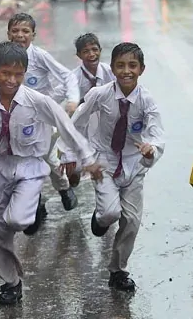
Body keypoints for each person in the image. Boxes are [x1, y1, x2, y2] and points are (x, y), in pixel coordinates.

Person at [0, 41, 102, 305]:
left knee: (16, 220)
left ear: (26, 73)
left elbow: (66, 127)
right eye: (5, 73)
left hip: (30, 166)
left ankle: (30, 210)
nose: (11, 80)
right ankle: (11, 283)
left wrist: (86, 158)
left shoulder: (37, 101)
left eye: (18, 74)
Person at [59, 42, 165, 291]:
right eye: (120, 65)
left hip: (133, 164)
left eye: (132, 66)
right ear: (112, 68)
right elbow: (76, 123)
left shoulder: (146, 101)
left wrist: (151, 149)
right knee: (110, 213)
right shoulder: (100, 94)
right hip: (104, 161)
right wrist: (68, 155)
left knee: (131, 220)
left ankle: (118, 270)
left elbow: (157, 133)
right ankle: (100, 219)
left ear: (141, 69)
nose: (126, 71)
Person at [0, 12, 80, 213]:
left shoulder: (40, 56)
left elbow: (67, 76)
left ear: (33, 35)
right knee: (20, 159)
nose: (20, 35)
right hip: (14, 117)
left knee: (48, 159)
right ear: (8, 34)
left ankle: (64, 188)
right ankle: (34, 201)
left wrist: (73, 100)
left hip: (39, 120)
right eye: (15, 30)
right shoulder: (1, 53)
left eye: (25, 31)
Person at [53, 33, 115, 187]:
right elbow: (54, 97)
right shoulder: (73, 78)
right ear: (79, 55)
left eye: (94, 49)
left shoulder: (110, 72)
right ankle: (69, 188)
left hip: (104, 129)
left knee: (104, 170)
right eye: (86, 51)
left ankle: (102, 204)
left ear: (100, 50)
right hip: (80, 129)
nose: (91, 54)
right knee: (73, 173)